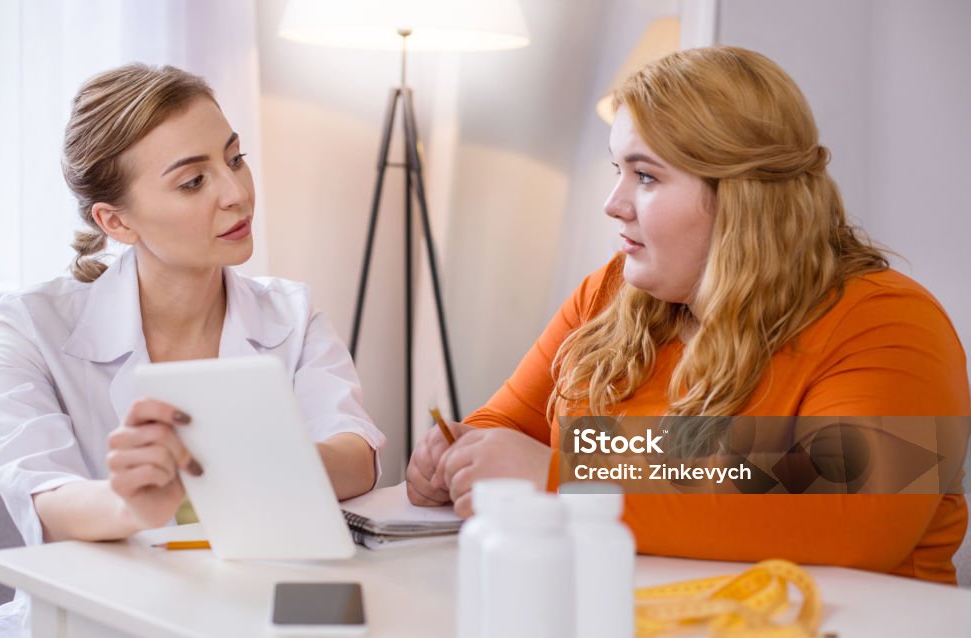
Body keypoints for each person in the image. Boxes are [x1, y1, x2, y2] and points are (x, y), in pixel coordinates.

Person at [407, 46, 969, 584]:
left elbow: (853, 511)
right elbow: (505, 429)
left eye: (645, 176)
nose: (613, 202)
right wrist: (460, 456)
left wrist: (562, 473)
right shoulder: (605, 296)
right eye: (616, 169)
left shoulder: (890, 320)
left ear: (742, 198)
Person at [0, 64, 385, 638]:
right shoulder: (31, 326)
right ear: (116, 222)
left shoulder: (290, 312)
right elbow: (44, 499)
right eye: (194, 181)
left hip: (249, 610)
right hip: (87, 624)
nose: (236, 192)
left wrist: (235, 458)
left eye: (235, 158)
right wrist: (131, 504)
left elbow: (357, 458)